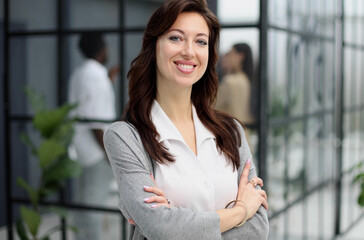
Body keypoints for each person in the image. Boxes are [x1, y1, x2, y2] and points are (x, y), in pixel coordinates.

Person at [103, 0, 269, 239]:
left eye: (200, 41)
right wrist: (241, 210)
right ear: (154, 46)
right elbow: (161, 228)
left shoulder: (231, 131)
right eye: (176, 38)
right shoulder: (126, 137)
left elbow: (258, 229)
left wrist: (178, 221)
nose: (189, 51)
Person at [68, 32, 119, 240]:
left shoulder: (80, 73)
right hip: (98, 152)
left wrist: (107, 79)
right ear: (101, 50)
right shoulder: (97, 77)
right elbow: (96, 122)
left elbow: (85, 108)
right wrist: (111, 155)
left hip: (80, 150)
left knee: (83, 206)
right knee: (92, 209)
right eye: (106, 46)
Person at [216, 43, 255, 126]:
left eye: (231, 54)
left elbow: (213, 106)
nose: (228, 59)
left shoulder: (229, 81)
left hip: (230, 132)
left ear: (240, 56)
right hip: (243, 131)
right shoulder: (245, 79)